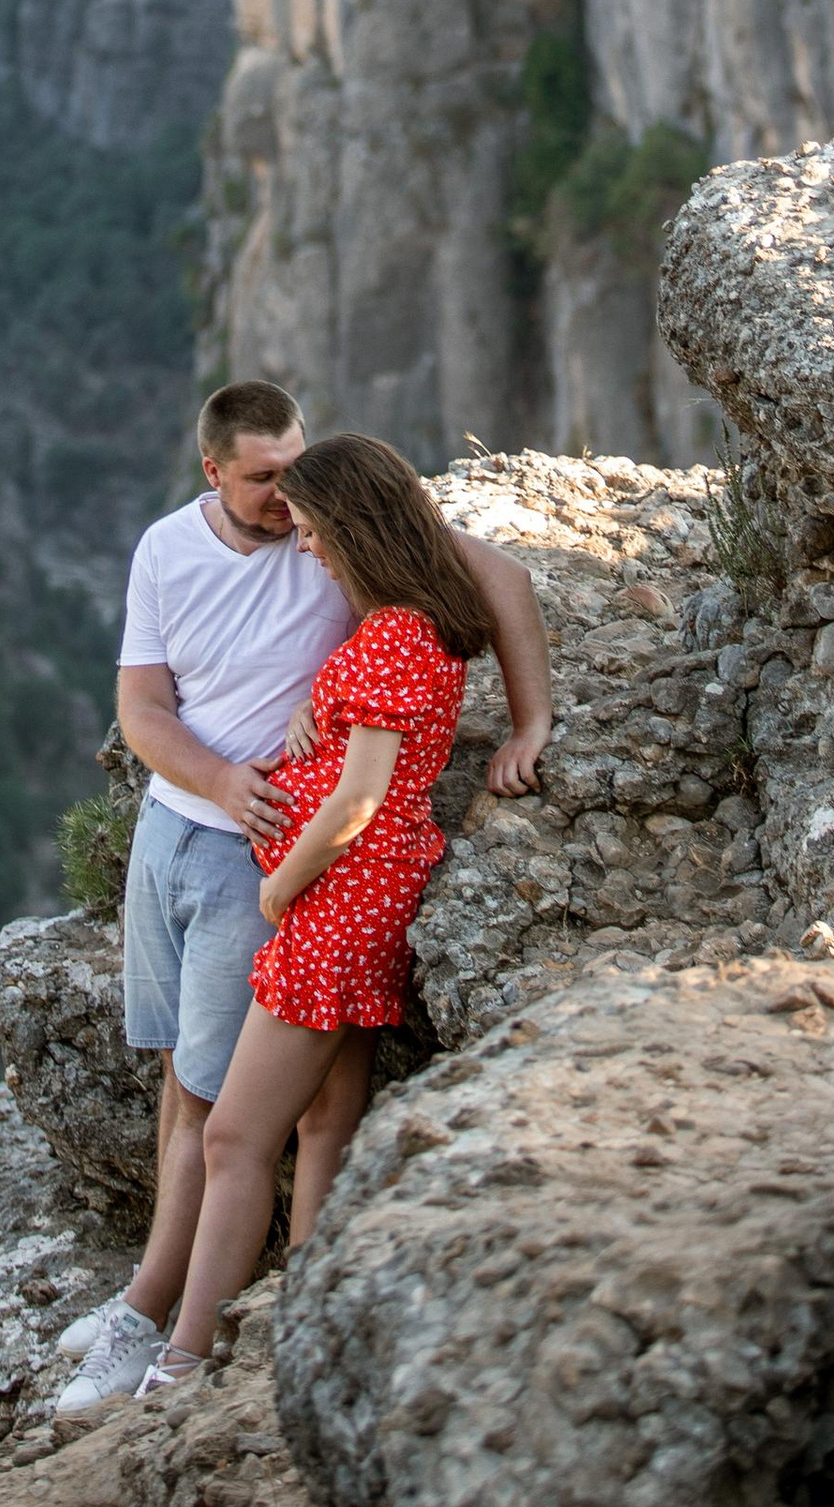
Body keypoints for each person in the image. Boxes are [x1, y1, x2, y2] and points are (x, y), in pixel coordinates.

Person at [54, 385, 551, 1415]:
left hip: (315, 883)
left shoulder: (379, 612)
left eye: (304, 488)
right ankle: (268, 1317)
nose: (293, 518)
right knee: (280, 1106)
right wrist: (278, 741)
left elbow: (372, 780)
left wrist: (529, 726)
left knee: (228, 1120)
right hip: (208, 839)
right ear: (215, 472)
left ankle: (179, 1348)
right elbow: (142, 706)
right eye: (266, 481)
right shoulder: (178, 553)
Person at [133, 431, 494, 1397]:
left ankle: (187, 1355)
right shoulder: (417, 624)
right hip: (368, 897)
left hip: (335, 901)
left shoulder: (392, 637)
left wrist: (282, 883)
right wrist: (316, 716)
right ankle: (307, 1320)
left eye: (319, 532)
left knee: (234, 1138)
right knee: (327, 1124)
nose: (307, 549)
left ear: (359, 528)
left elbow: (358, 800)